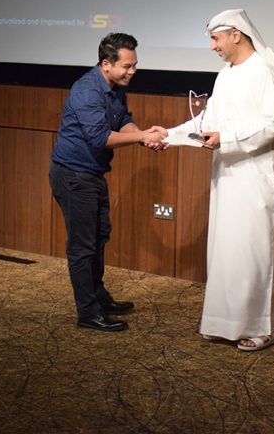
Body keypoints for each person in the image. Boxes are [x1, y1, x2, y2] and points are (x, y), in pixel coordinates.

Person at [168, 9, 274, 351]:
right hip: (227, 173)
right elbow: (209, 120)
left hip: (257, 175)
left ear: (236, 34)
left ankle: (262, 327)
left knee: (253, 250)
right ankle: (225, 322)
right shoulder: (225, 75)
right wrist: (169, 135)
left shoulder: (264, 70)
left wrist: (227, 138)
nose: (212, 46)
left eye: (215, 38)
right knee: (226, 249)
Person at [49, 32, 166, 331]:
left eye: (134, 65)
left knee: (99, 237)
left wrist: (143, 137)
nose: (132, 71)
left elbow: (123, 121)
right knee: (83, 246)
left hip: (92, 173)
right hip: (73, 175)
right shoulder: (87, 90)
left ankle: (98, 298)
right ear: (106, 64)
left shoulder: (114, 87)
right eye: (127, 66)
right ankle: (88, 313)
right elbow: (101, 137)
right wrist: (142, 136)